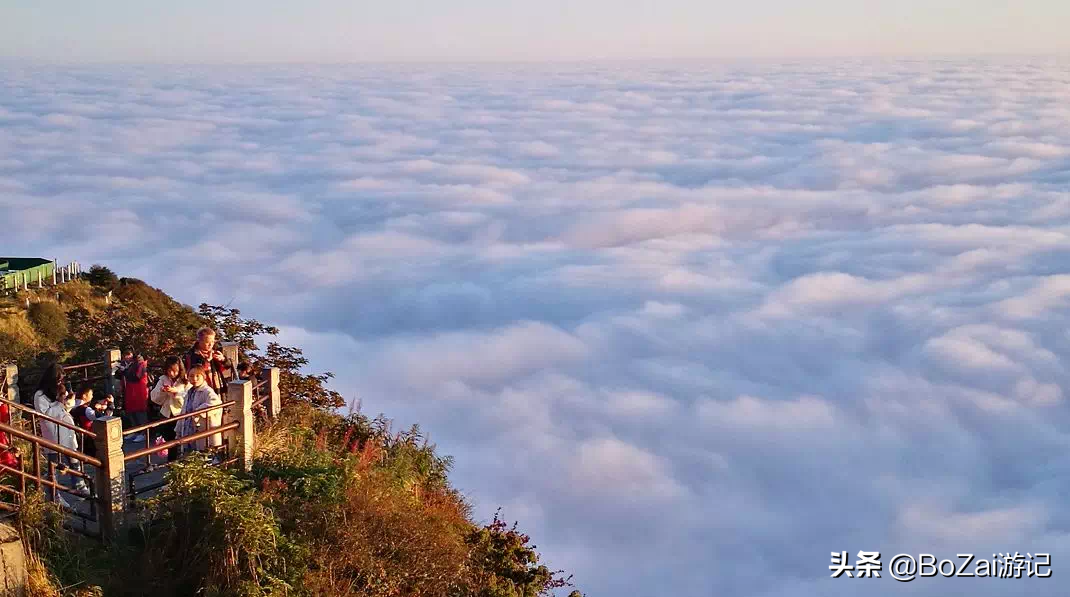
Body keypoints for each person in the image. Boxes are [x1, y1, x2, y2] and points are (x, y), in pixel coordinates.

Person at [150, 356, 189, 462]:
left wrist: (175, 393)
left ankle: (180, 462)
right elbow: (154, 398)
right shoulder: (163, 379)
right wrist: (163, 392)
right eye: (169, 370)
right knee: (169, 442)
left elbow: (187, 400)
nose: (171, 373)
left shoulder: (186, 381)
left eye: (174, 371)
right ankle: (171, 464)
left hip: (180, 414)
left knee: (181, 441)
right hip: (166, 414)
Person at [176, 366, 223, 453]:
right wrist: (178, 430)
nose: (194, 378)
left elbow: (216, 403)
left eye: (198, 376)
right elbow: (183, 411)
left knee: (203, 456)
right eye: (191, 376)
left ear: (203, 377)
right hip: (188, 431)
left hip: (202, 431)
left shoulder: (207, 391)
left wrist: (198, 412)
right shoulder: (190, 392)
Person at [183, 327, 231, 395]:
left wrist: (223, 359)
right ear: (199, 341)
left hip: (216, 387)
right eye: (207, 342)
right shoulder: (191, 355)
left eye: (212, 342)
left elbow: (227, 367)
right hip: (200, 389)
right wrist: (207, 361)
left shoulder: (214, 352)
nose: (211, 344)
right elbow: (192, 372)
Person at [123, 354, 150, 442]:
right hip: (131, 390)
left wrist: (125, 370)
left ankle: (144, 433)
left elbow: (137, 377)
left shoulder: (142, 365)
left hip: (139, 390)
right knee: (132, 411)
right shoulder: (132, 364)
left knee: (140, 412)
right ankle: (135, 430)